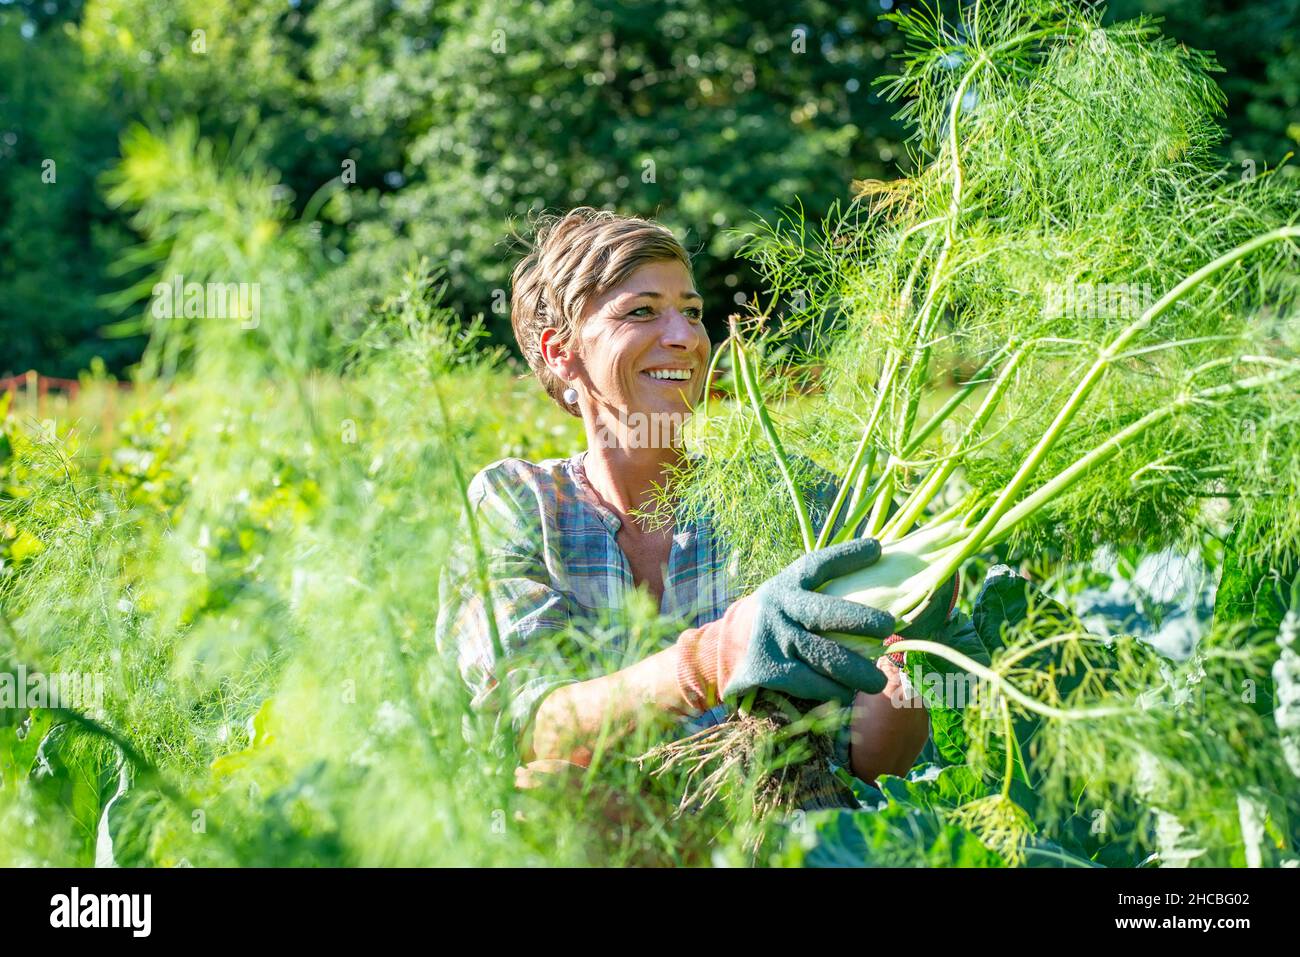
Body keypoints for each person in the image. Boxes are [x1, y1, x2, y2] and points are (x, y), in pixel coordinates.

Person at [436, 207, 954, 802]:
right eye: (642, 311)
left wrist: (908, 648)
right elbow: (532, 723)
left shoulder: (796, 495)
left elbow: (872, 762)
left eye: (691, 311)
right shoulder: (520, 502)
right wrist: (721, 655)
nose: (685, 337)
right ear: (561, 352)